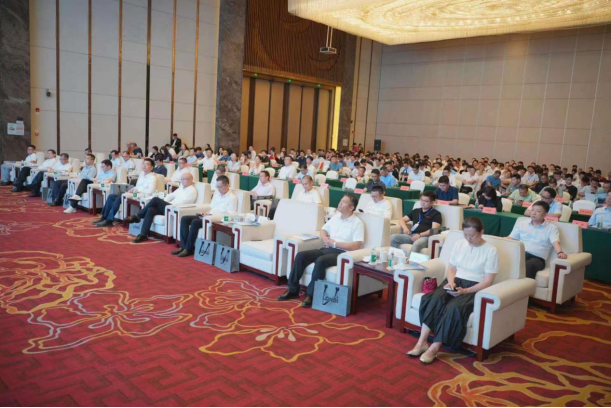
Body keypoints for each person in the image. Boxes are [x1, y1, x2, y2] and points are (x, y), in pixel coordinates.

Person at [408, 217, 499, 364]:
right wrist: (450, 283)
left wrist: (466, 290)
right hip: (455, 281)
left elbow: (488, 281)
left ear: (481, 232)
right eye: (465, 235)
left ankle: (434, 348)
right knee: (434, 299)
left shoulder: (491, 250)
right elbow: (451, 268)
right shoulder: (459, 244)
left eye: (472, 236)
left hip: (475, 286)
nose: (468, 239)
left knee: (453, 307)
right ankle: (422, 342)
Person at [277, 194, 364, 308]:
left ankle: (311, 295)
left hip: (342, 253)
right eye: (341, 200)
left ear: (351, 207)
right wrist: (325, 239)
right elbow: (323, 230)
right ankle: (292, 290)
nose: (340, 203)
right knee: (301, 256)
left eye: (344, 202)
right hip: (327, 248)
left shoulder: (357, 223)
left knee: (321, 261)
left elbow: (356, 245)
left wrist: (335, 243)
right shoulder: (336, 217)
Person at [172, 175, 238, 257]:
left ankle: (188, 249)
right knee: (184, 219)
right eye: (217, 187)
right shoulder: (217, 194)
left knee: (195, 222)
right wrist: (205, 213)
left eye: (220, 187)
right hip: (208, 216)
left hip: (216, 220)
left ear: (227, 185)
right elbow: (212, 207)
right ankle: (183, 246)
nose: (218, 189)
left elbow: (230, 215)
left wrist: (216, 218)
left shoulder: (232, 198)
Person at [126, 173, 198, 243]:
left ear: (191, 180)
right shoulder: (181, 187)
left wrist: (168, 204)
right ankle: (143, 234)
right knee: (151, 210)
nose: (182, 181)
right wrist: (164, 202)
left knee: (155, 199)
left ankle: (138, 216)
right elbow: (170, 195)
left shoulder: (192, 191)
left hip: (175, 209)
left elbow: (183, 203)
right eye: (181, 179)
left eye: (184, 179)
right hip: (169, 206)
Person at [507, 201, 567, 279]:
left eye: (538, 211)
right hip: (520, 254)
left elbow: (555, 242)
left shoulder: (551, 228)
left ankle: (525, 286)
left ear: (545, 214)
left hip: (537, 258)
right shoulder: (522, 223)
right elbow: (511, 238)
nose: (534, 213)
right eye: (532, 210)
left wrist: (560, 252)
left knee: (529, 265)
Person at [93, 158, 157, 228]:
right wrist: (133, 189)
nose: (144, 166)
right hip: (134, 193)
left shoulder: (152, 177)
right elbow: (137, 186)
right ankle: (104, 217)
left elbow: (150, 191)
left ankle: (109, 220)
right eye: (143, 164)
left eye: (147, 164)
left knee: (118, 198)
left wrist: (136, 189)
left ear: (151, 167)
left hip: (142, 195)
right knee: (111, 196)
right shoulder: (141, 174)